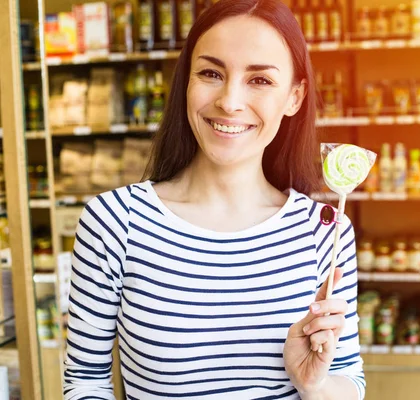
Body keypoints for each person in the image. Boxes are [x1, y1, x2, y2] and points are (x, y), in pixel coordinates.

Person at [62, 0, 365, 398]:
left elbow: (350, 383)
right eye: (210, 73)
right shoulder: (114, 222)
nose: (230, 101)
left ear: (294, 97)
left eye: (259, 80)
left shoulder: (325, 231)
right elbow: (85, 381)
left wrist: (315, 382)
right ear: (185, 81)